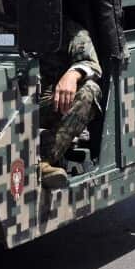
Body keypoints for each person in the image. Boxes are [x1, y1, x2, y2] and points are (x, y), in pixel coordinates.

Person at [38, 16, 102, 189]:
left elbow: (90, 63)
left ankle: (43, 160)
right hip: (6, 100)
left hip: (46, 101)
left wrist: (72, 75)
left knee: (89, 91)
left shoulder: (64, 28)